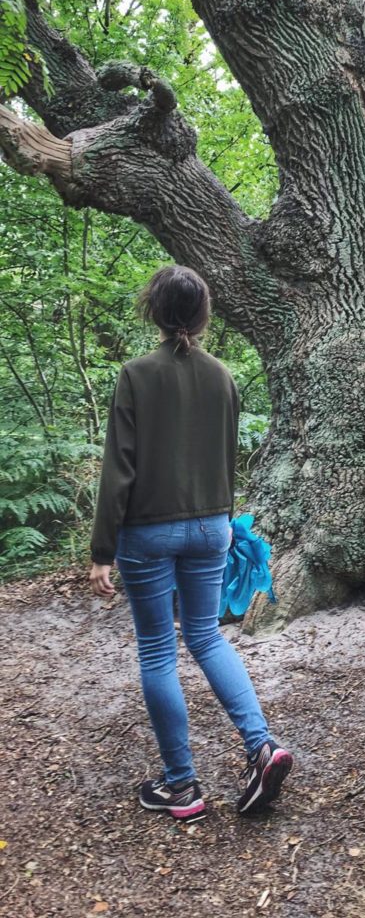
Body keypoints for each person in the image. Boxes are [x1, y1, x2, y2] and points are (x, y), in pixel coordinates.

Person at [88, 264, 293, 822]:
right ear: (202, 315)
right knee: (206, 637)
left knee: (158, 650)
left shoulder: (135, 374)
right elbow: (226, 458)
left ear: (153, 311)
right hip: (212, 524)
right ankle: (262, 746)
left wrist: (102, 549)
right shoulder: (223, 376)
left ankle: (182, 788)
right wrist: (222, 523)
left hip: (148, 530)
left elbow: (119, 469)